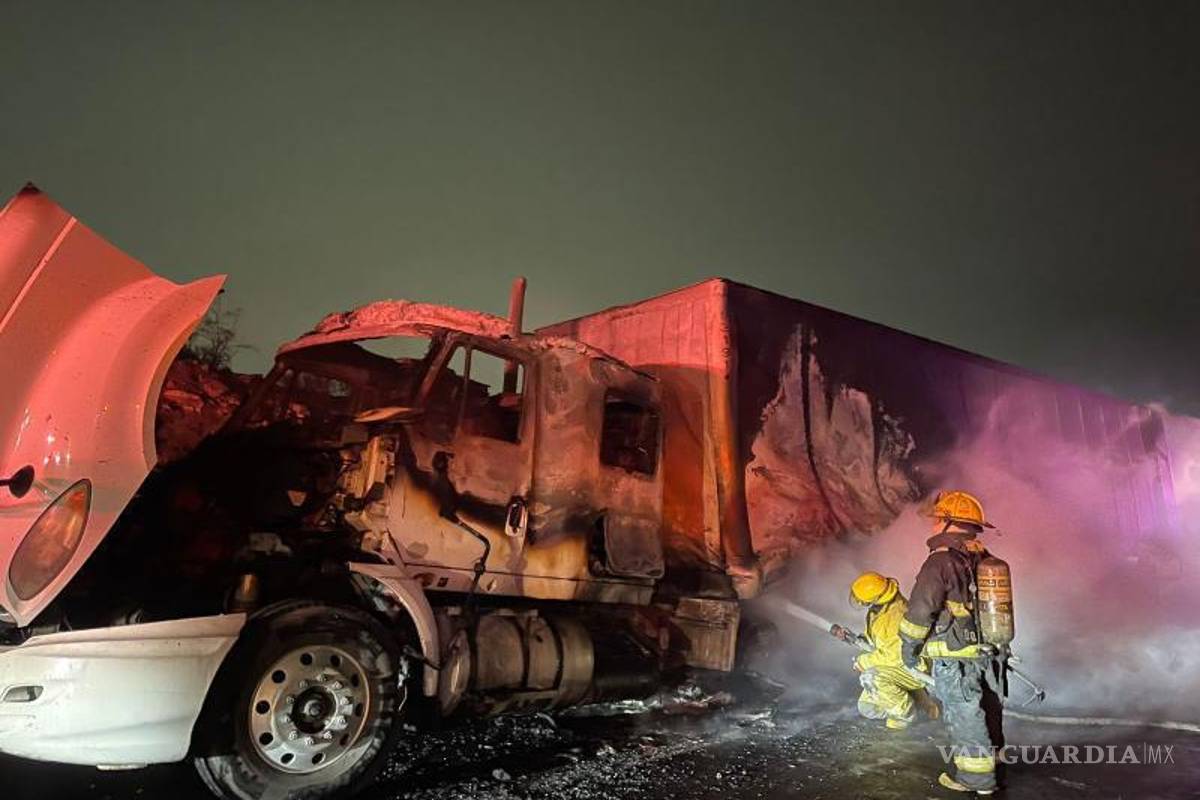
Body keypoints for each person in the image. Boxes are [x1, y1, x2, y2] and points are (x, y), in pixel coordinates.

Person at [899, 490, 1005, 795]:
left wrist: (909, 649)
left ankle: (977, 779)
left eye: (937, 521)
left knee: (964, 712)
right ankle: (995, 765)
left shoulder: (941, 561)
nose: (932, 526)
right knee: (989, 706)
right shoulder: (984, 558)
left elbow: (921, 610)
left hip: (957, 655)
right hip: (991, 651)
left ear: (948, 523)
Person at [848, 571, 937, 730]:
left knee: (871, 677)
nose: (860, 603)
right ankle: (919, 701)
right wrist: (862, 639)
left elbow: (895, 656)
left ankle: (906, 715)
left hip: (912, 668)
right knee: (867, 707)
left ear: (876, 598)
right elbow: (882, 639)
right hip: (897, 665)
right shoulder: (880, 609)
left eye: (862, 601)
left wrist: (863, 662)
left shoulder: (895, 615)